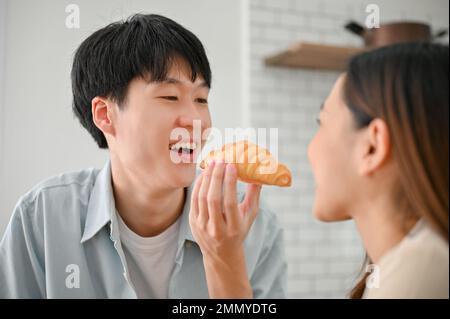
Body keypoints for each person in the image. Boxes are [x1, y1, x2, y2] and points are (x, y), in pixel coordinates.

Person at [0, 14, 287, 298]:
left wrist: (224, 259)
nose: (195, 120)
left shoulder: (253, 224)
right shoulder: (41, 220)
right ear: (105, 114)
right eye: (169, 97)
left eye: (201, 99)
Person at [190, 42, 449, 299]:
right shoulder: (415, 262)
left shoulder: (419, 274)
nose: (310, 149)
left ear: (372, 147)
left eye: (321, 123)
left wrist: (223, 260)